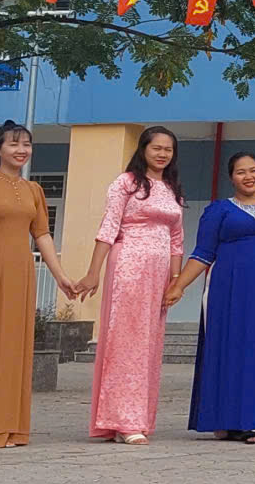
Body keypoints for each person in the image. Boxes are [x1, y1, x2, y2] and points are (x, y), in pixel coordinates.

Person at [0, 120, 84, 449]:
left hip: (21, 273)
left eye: (26, 144)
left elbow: (42, 235)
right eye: (13, 144)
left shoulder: (34, 191)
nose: (21, 150)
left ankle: (8, 427)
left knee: (14, 348)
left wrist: (60, 276)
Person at [165, 152, 255, 443]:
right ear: (231, 177)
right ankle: (225, 420)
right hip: (227, 289)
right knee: (227, 349)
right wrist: (179, 286)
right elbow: (203, 253)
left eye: (253, 170)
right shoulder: (218, 211)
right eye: (241, 172)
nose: (248, 176)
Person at [76, 126, 185, 445]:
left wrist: (176, 281)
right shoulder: (126, 183)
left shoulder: (172, 190)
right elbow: (108, 227)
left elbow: (177, 239)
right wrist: (93, 272)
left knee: (149, 345)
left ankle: (137, 417)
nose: (162, 154)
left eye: (168, 149)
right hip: (129, 267)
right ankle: (122, 420)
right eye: (156, 148)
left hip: (159, 274)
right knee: (126, 342)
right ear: (143, 149)